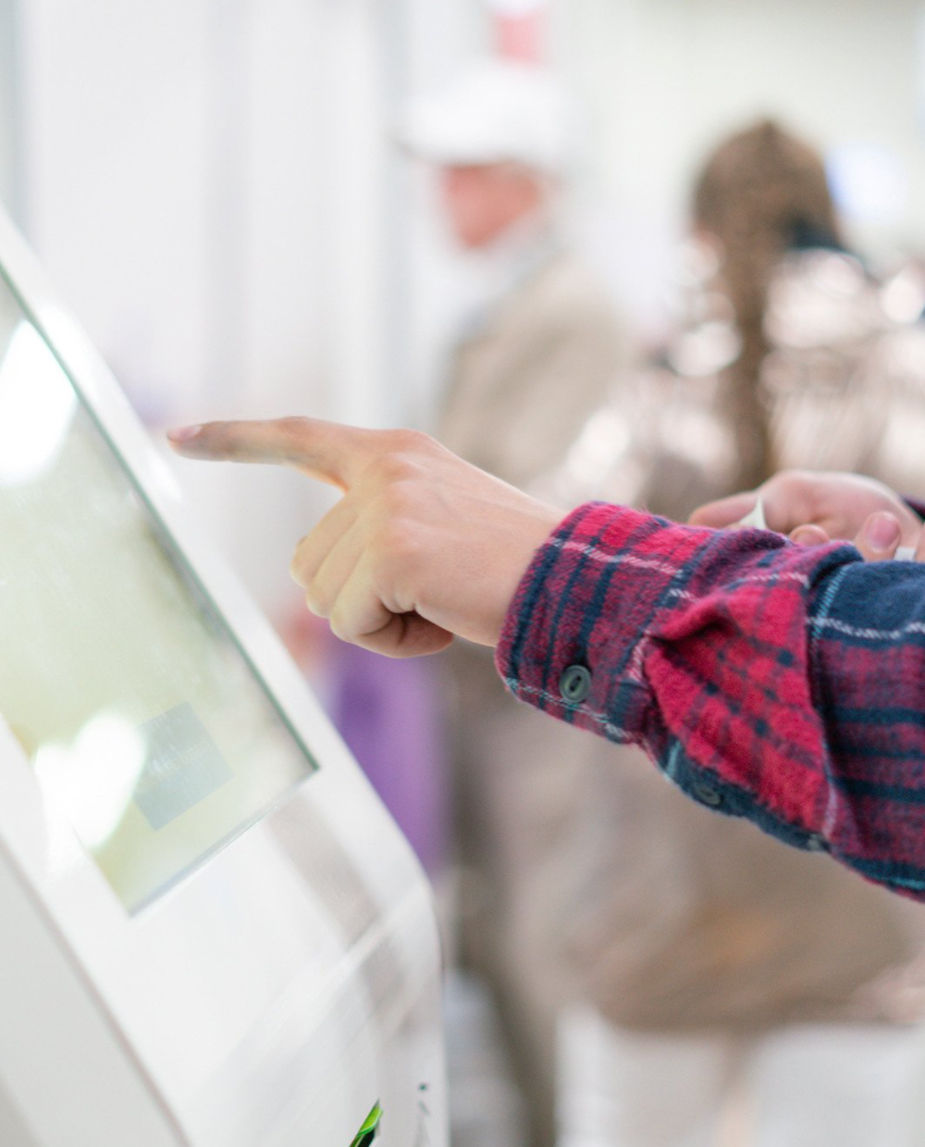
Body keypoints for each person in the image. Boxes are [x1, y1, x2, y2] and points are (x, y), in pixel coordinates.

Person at [528, 121, 925, 1146]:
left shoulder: (656, 378)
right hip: (859, 849)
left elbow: (547, 542)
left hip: (663, 866)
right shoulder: (905, 365)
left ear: (697, 231)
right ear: (828, 222)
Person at [399, 58, 634, 1146]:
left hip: (535, 680)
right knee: (499, 922)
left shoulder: (574, 311)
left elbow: (515, 492)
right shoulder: (514, 305)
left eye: (461, 175)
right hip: (485, 675)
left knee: (539, 931)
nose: (442, 198)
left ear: (521, 180)